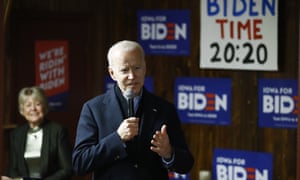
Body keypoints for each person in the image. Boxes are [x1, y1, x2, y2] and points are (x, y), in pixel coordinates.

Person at [72, 40, 194, 180]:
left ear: (145, 68)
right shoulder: (93, 109)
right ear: (112, 73)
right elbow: (79, 163)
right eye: (124, 70)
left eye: (137, 68)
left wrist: (169, 153)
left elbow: (186, 164)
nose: (132, 76)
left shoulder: (164, 108)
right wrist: (117, 138)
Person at [1, 86, 73, 180]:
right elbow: (13, 170)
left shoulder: (58, 131)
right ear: (22, 110)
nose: (33, 108)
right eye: (28, 105)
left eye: (38, 104)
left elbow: (67, 169)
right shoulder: (16, 134)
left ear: (44, 106)